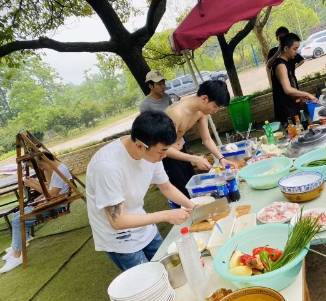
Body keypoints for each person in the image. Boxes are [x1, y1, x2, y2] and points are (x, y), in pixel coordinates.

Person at [85, 111, 195, 271]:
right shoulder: (107, 167)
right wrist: (166, 215)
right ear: (139, 146)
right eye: (162, 151)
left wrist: (191, 205)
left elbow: (166, 186)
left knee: (171, 268)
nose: (165, 156)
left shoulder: (152, 153)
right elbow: (118, 221)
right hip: (119, 238)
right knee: (149, 281)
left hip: (143, 223)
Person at [143, 80, 236, 198]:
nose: (215, 111)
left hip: (179, 150)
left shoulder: (201, 111)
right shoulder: (176, 113)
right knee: (182, 194)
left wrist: (221, 158)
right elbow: (162, 148)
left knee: (193, 187)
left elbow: (206, 139)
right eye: (215, 106)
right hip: (164, 156)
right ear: (204, 98)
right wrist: (194, 158)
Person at [0, 152, 72, 273]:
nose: (40, 169)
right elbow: (50, 189)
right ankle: (17, 246)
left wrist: (31, 184)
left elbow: (51, 195)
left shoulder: (59, 171)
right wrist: (34, 184)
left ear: (43, 161)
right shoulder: (56, 168)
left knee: (18, 219)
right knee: (17, 215)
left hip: (55, 206)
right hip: (53, 203)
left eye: (39, 166)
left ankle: (17, 256)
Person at [270, 33, 318, 124]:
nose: (296, 52)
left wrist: (301, 97)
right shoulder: (280, 65)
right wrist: (307, 94)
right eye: (294, 49)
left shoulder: (287, 62)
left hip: (291, 107)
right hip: (286, 111)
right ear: (285, 48)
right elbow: (287, 89)